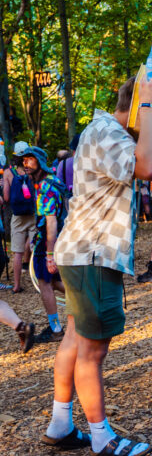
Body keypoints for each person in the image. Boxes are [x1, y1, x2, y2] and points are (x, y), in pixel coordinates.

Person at [44, 75, 152, 456]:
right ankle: (101, 437)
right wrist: (149, 105)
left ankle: (60, 425)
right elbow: (149, 167)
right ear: (136, 105)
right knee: (92, 352)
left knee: (75, 338)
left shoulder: (102, 131)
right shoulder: (108, 132)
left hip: (82, 252)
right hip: (93, 255)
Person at [21, 146, 66, 342]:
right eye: (23, 160)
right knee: (54, 281)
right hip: (53, 238)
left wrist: (49, 254)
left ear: (40, 161)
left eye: (30, 159)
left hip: (49, 240)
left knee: (44, 283)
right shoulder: (48, 181)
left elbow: (51, 222)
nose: (25, 163)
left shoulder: (46, 186)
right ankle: (91, 302)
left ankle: (56, 330)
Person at [2, 141, 35, 293]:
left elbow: (6, 198)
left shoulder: (8, 173)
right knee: (37, 250)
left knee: (17, 252)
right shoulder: (33, 170)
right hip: (33, 214)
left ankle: (16, 285)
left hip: (17, 216)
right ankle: (41, 283)